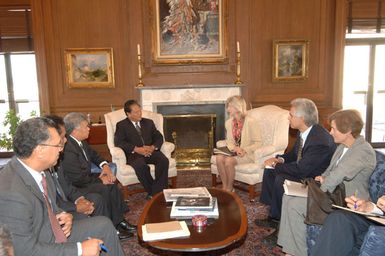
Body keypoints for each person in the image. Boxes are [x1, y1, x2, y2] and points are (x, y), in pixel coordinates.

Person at [0, 117, 124, 256]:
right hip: (39, 244)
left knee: (104, 225)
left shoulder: (42, 171)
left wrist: (62, 215)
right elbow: (23, 251)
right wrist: (80, 249)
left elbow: (50, 205)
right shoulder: (10, 194)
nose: (61, 149)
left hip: (50, 230)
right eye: (58, 145)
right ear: (40, 150)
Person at [277, 109, 376, 256]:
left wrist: (314, 190)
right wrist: (321, 179)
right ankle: (293, 252)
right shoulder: (342, 147)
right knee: (289, 197)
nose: (330, 132)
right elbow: (328, 173)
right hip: (332, 195)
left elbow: (336, 176)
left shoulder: (363, 151)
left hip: (348, 203)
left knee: (295, 204)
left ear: (347, 131)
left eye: (334, 129)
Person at [258, 98, 336, 221]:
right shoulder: (303, 132)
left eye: (291, 115)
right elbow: (294, 155)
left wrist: (276, 166)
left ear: (302, 118)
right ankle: (273, 211)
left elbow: (302, 170)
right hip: (304, 169)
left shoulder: (319, 140)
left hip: (313, 179)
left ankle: (278, 219)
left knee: (280, 178)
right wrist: (279, 160)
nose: (288, 118)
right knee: (269, 170)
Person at [60, 112, 136, 237]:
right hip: (77, 186)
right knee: (103, 188)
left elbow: (94, 155)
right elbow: (77, 179)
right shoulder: (68, 149)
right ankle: (111, 228)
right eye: (85, 126)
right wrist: (100, 180)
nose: (89, 128)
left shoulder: (80, 141)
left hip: (85, 179)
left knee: (112, 183)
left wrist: (105, 166)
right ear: (75, 130)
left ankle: (120, 221)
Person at [45, 115, 109, 220]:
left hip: (71, 193)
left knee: (99, 196)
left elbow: (65, 185)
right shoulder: (64, 153)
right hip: (61, 208)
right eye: (62, 137)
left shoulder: (55, 159)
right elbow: (52, 202)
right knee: (101, 191)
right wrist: (76, 206)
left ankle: (115, 223)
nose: (66, 140)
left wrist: (79, 199)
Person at [114, 99, 169, 198]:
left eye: (140, 110)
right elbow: (119, 142)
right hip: (134, 154)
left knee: (163, 160)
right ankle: (156, 191)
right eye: (136, 112)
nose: (140, 113)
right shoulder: (121, 125)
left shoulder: (148, 122)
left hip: (150, 151)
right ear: (128, 114)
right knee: (141, 166)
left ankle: (155, 193)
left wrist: (153, 147)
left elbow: (159, 137)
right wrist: (136, 149)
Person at [215, 95, 262, 192]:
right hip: (234, 152)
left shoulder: (251, 122)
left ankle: (229, 188)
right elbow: (229, 141)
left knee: (228, 161)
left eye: (230, 106)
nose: (228, 109)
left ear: (237, 107)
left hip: (247, 154)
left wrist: (244, 150)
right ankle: (225, 187)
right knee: (219, 158)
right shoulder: (228, 123)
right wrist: (235, 149)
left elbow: (258, 143)